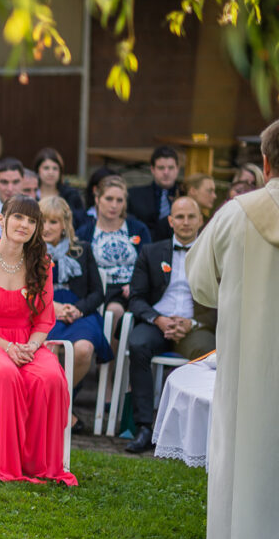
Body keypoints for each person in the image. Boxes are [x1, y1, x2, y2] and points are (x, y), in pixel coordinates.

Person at [187, 119, 279, 539]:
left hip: (250, 366)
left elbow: (200, 284)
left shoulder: (236, 213)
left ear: (265, 163)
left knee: (246, 462)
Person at [0, 195, 76, 485]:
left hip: (26, 342)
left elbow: (44, 319)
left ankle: (40, 465)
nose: (24, 225)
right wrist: (7, 347)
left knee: (50, 377)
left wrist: (31, 346)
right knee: (3, 373)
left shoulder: (41, 264)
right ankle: (3, 464)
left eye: (32, 221)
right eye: (18, 217)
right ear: (1, 219)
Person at [123, 196, 216, 454]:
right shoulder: (151, 252)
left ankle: (194, 432)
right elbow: (136, 297)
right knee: (138, 344)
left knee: (208, 354)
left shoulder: (213, 255)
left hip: (194, 328)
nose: (186, 222)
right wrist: (158, 319)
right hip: (157, 322)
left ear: (201, 220)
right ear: (171, 221)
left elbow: (221, 302)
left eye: (191, 217)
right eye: (180, 217)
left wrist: (193, 323)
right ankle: (144, 427)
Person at [39, 195, 113, 432]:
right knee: (47, 350)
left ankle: (53, 403)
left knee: (84, 349)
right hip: (42, 311)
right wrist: (52, 308)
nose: (46, 227)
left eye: (53, 222)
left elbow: (98, 293)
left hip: (79, 312)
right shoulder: (29, 253)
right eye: (42, 221)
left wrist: (78, 309)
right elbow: (22, 291)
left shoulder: (83, 250)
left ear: (64, 225)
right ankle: (59, 409)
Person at [77, 175, 152, 332]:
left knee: (115, 311)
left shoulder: (137, 229)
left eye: (119, 200)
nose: (114, 205)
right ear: (97, 199)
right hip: (97, 290)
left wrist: (135, 285)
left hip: (128, 290)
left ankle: (111, 357)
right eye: (109, 199)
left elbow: (148, 265)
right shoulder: (85, 232)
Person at [127, 145, 181, 241]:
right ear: (152, 169)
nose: (166, 172)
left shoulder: (186, 197)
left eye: (171, 168)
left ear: (177, 169)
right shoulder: (134, 196)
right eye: (161, 168)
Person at [33, 147, 85, 228]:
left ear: (60, 172)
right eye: (46, 168)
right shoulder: (30, 194)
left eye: (55, 168)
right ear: (38, 170)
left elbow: (80, 222)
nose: (51, 172)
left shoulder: (71, 195)